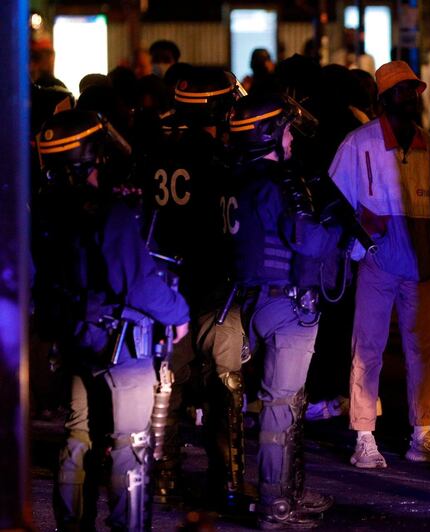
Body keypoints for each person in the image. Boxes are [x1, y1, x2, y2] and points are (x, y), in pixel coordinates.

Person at [32, 109, 190, 530]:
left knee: (78, 438)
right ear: (91, 155)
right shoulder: (110, 213)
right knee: (130, 444)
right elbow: (137, 284)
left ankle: (72, 524)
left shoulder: (45, 211)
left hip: (75, 340)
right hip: (123, 346)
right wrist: (179, 313)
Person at [329, 60, 430, 469]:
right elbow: (335, 200)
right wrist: (361, 244)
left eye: (413, 90)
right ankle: (364, 436)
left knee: (420, 351)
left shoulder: (426, 144)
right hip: (379, 262)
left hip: (420, 264)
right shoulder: (359, 142)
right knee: (368, 348)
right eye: (403, 91)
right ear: (384, 98)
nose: (411, 98)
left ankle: (422, 434)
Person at [226, 94, 339, 528]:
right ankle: (276, 503)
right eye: (288, 129)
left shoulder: (237, 177)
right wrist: (335, 225)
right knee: (280, 408)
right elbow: (308, 241)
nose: (293, 137)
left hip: (249, 301)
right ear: (272, 133)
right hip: (286, 303)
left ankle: (290, 492)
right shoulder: (280, 182)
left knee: (284, 403)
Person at [140, 66, 246, 509]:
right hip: (215, 289)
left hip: (167, 289)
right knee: (226, 387)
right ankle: (228, 483)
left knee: (169, 385)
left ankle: (161, 480)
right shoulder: (223, 159)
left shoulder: (155, 150)